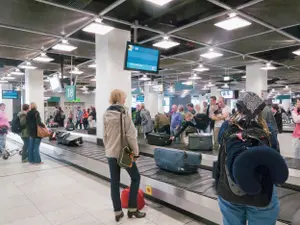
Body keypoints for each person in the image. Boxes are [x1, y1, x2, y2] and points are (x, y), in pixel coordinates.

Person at [215, 92, 282, 225]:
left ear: (238, 108)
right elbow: (275, 156)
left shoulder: (227, 127)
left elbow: (220, 144)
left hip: (230, 189)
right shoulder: (267, 130)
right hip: (262, 193)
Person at [103, 89, 146, 222]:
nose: (125, 100)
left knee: (114, 183)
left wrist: (108, 148)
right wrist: (136, 153)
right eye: (124, 97)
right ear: (119, 98)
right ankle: (132, 209)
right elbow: (131, 135)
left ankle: (117, 212)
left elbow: (105, 135)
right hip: (124, 152)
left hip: (111, 152)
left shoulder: (106, 113)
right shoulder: (124, 113)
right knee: (136, 177)